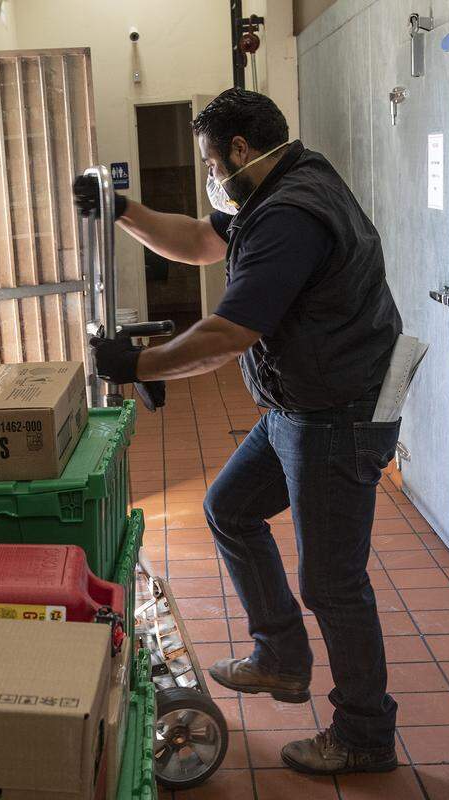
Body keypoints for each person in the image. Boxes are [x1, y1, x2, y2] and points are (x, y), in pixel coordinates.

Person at [75, 88, 404, 776]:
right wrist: (123, 210)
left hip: (337, 414)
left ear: (239, 151)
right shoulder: (280, 184)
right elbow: (199, 239)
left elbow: (227, 335)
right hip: (303, 406)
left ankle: (365, 734)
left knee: (333, 582)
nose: (207, 172)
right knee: (229, 508)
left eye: (208, 159)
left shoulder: (288, 214)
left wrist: (139, 362)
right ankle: (281, 657)